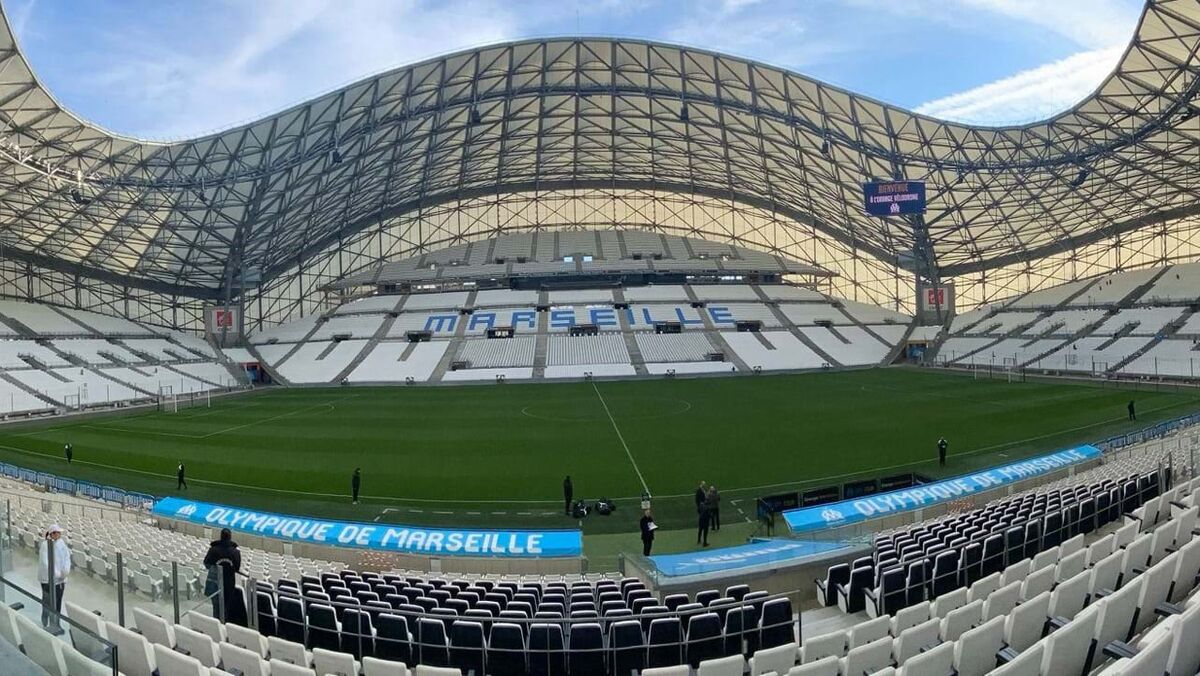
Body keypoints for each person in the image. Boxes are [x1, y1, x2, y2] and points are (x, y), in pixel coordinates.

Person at [203, 528, 246, 626]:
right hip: (228, 584)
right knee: (226, 607)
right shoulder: (235, 552)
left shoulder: (213, 550)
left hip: (214, 582)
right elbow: (237, 568)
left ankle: (217, 625)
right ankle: (224, 627)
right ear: (230, 537)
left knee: (216, 607)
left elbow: (206, 563)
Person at [38, 524, 70, 630]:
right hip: (48, 580)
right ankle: (45, 620)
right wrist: (57, 574)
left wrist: (65, 571)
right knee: (47, 600)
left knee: (58, 601)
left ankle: (56, 624)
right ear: (51, 534)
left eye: (59, 532)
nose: (58, 534)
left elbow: (66, 558)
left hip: (60, 580)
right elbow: (45, 563)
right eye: (56, 532)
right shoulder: (45, 545)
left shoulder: (62, 544)